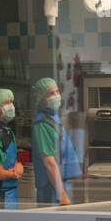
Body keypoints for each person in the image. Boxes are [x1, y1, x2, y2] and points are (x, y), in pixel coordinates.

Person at [29, 77, 79, 206]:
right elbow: (49, 162)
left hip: (60, 184)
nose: (56, 96)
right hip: (51, 190)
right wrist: (61, 194)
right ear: (41, 98)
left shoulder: (53, 118)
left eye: (57, 92)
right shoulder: (42, 124)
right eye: (51, 93)